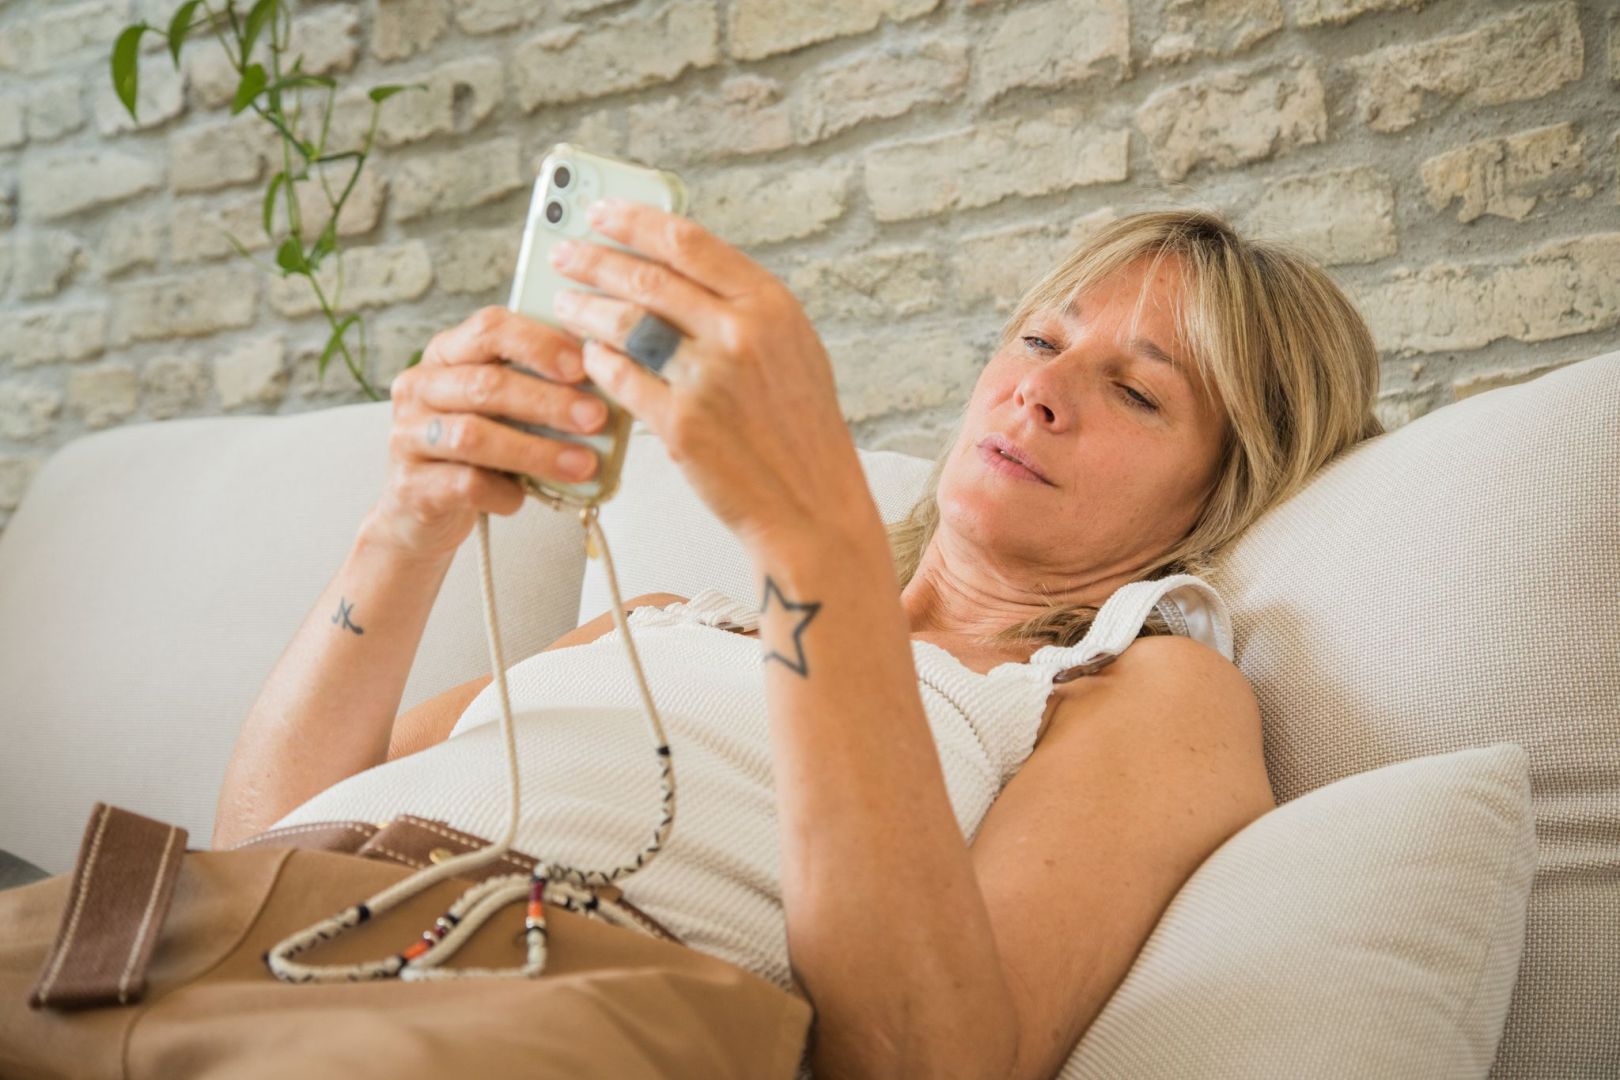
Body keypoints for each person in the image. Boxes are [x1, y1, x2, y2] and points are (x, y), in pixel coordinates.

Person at [211, 203, 1384, 1079]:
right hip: (217, 957)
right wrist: (405, 526)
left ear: (1223, 489)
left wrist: (805, 531)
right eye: (1039, 341)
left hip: (503, 1011)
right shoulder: (663, 617)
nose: (1043, 391)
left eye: (1137, 392)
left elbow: (930, 1062)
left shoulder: (1137, 686)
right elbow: (251, 847)